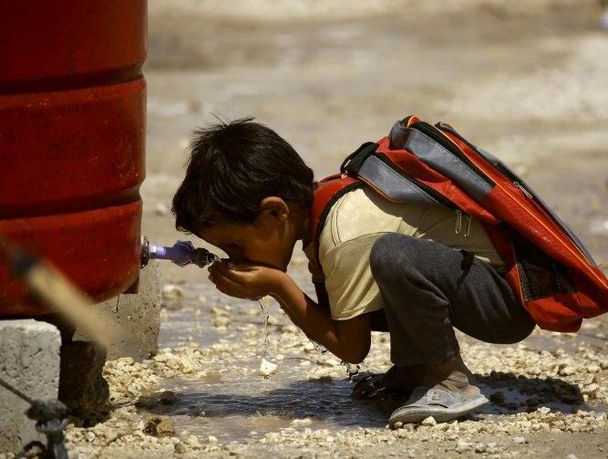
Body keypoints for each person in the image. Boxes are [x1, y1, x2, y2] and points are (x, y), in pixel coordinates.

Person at [171, 117, 535, 425]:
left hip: (507, 302)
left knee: (393, 256)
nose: (235, 258)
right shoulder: (322, 212)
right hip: (475, 286)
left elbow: (351, 346)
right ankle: (415, 369)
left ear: (275, 212)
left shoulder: (343, 234)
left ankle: (451, 382)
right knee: (367, 279)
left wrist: (279, 286)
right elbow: (340, 319)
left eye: (236, 245)